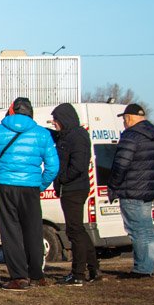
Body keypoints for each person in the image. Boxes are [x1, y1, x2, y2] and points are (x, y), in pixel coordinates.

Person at [0, 97, 60, 291]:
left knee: (11, 232)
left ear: (12, 111)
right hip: (30, 187)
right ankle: (37, 276)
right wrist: (40, 184)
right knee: (33, 230)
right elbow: (53, 166)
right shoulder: (42, 134)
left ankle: (19, 277)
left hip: (4, 186)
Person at [108, 103, 154, 278]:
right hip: (148, 190)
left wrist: (113, 185)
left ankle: (141, 269)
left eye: (124, 119)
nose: (124, 123)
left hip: (131, 189)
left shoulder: (131, 136)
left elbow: (121, 164)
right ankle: (148, 266)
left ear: (129, 118)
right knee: (147, 230)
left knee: (137, 230)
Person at [51, 103, 99, 286]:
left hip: (74, 189)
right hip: (71, 188)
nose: (54, 123)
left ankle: (78, 273)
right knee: (78, 228)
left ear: (64, 119)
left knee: (74, 230)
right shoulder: (67, 135)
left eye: (56, 119)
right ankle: (94, 268)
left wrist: (62, 178)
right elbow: (53, 134)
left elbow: (78, 165)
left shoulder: (76, 136)